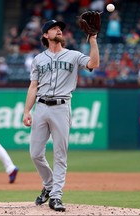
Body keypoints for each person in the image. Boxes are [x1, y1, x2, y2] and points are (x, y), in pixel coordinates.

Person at [22, 19, 99, 212]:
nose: (58, 30)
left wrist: (93, 40)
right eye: (54, 28)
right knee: (35, 154)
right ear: (45, 35)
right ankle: (49, 185)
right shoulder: (38, 59)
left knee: (60, 154)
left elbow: (94, 64)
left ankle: (56, 196)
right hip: (41, 107)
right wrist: (26, 111)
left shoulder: (73, 55)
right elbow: (33, 87)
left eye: (60, 29)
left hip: (61, 107)